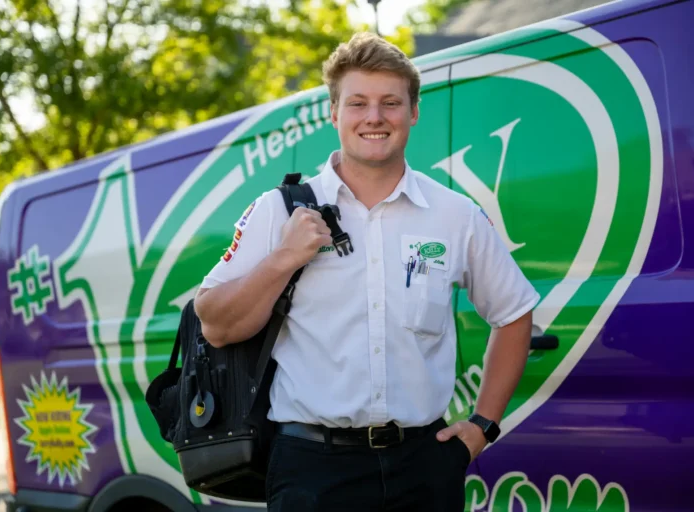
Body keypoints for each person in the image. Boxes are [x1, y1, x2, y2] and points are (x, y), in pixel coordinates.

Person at [195, 32, 540, 512]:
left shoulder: (455, 215)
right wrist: (284, 258)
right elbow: (213, 323)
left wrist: (482, 426)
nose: (374, 117)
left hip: (426, 463)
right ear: (333, 113)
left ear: (413, 112)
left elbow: (514, 313)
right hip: (312, 467)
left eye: (390, 103)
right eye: (357, 103)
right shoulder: (279, 211)